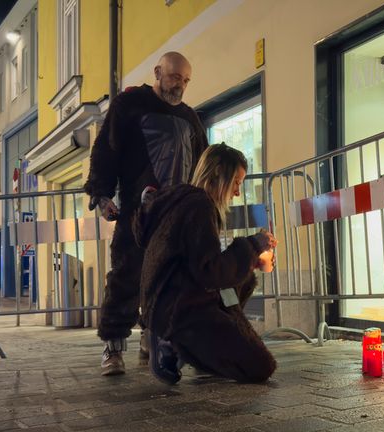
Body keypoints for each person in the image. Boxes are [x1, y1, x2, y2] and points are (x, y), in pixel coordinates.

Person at [84, 52, 208, 375]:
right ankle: (112, 348)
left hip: (176, 217)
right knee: (126, 276)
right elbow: (106, 149)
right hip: (136, 215)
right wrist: (101, 193)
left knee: (169, 280)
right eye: (174, 77)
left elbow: (203, 165)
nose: (179, 85)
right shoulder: (129, 106)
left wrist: (206, 204)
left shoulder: (191, 119)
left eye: (185, 80)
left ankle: (152, 337)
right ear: (157, 72)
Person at [133, 144, 278, 384]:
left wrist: (252, 257)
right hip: (179, 309)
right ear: (219, 174)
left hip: (171, 299)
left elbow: (201, 264)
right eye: (236, 183)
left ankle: (196, 348)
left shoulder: (187, 201)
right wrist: (252, 245)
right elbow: (210, 272)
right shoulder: (199, 206)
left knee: (246, 280)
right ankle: (172, 343)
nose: (237, 193)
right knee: (260, 366)